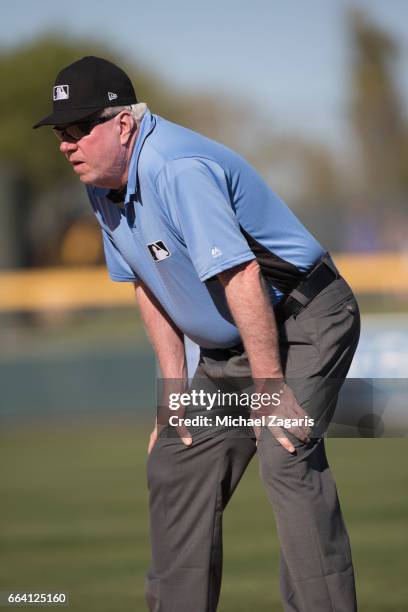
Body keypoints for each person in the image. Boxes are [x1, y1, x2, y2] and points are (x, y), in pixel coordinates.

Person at [34, 56, 361, 612]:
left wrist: (268, 388)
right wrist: (172, 392)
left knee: (285, 453)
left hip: (305, 320)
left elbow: (242, 275)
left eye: (80, 128)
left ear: (123, 124)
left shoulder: (176, 166)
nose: (68, 144)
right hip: (229, 343)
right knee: (175, 456)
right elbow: (148, 282)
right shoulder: (102, 183)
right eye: (62, 133)